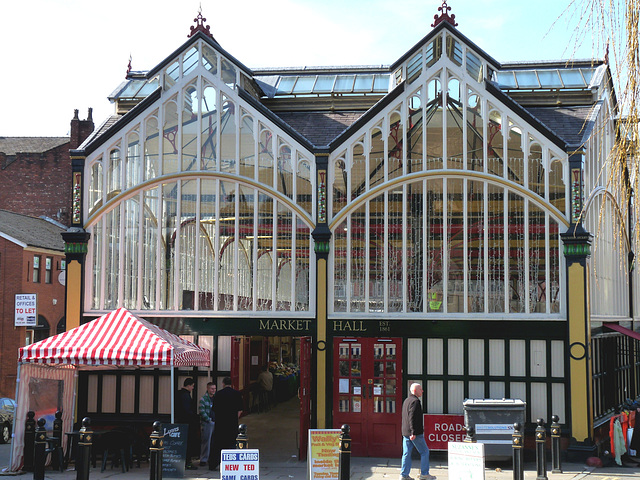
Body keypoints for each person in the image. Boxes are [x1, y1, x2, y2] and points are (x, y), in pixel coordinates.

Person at [400, 383, 436, 480]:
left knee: (406, 453)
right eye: (421, 389)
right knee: (424, 452)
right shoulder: (415, 402)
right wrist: (413, 432)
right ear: (415, 391)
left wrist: (408, 431)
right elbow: (412, 418)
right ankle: (424, 474)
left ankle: (404, 475)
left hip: (405, 432)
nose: (422, 391)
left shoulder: (406, 400)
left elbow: (405, 417)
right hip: (415, 433)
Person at [209, 377, 243, 470]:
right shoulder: (237, 394)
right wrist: (235, 418)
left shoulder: (218, 394)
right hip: (232, 423)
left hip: (220, 423)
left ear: (223, 383)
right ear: (231, 384)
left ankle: (213, 464)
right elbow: (240, 410)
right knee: (231, 444)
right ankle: (231, 464)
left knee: (218, 445)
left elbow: (214, 410)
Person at [175, 378, 199, 470]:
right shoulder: (185, 395)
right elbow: (187, 410)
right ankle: (187, 462)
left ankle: (183, 461)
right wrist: (194, 418)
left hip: (180, 421)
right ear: (188, 385)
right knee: (188, 443)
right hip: (187, 422)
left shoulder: (178, 393)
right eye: (192, 386)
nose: (193, 388)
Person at [198, 382, 216, 466]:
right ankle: (204, 459)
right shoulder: (203, 399)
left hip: (215, 422)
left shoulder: (216, 398)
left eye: (215, 388)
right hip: (207, 423)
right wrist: (209, 420)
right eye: (212, 389)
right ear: (208, 389)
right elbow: (202, 411)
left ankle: (212, 459)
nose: (213, 390)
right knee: (206, 441)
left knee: (213, 442)